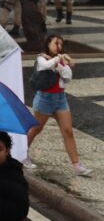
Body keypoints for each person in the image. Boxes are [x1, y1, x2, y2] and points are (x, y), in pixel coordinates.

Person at [25, 34, 91, 175]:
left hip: (60, 99)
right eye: (56, 43)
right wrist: (57, 60)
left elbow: (67, 76)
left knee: (68, 131)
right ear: (48, 44)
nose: (58, 47)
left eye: (61, 44)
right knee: (36, 129)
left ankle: (77, 165)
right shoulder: (41, 57)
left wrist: (60, 64)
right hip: (44, 99)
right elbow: (45, 65)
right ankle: (21, 155)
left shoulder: (60, 59)